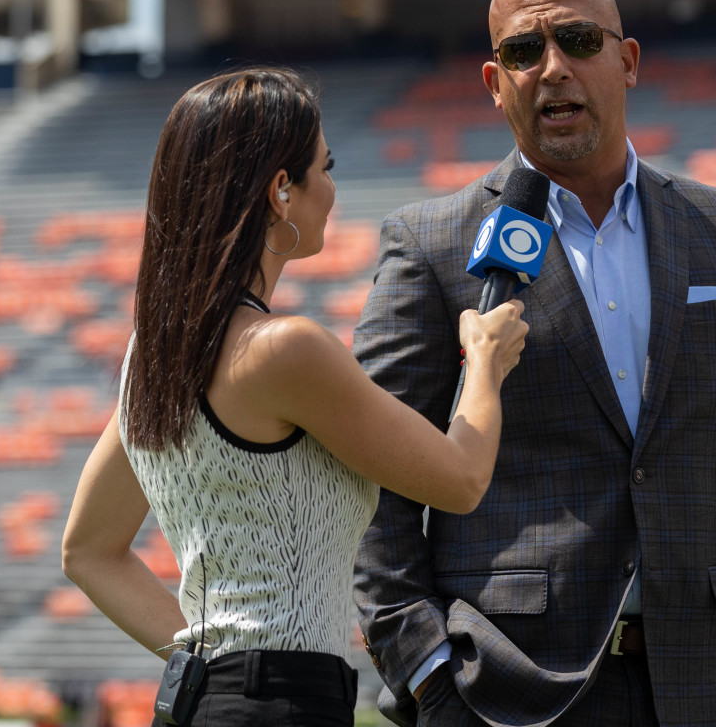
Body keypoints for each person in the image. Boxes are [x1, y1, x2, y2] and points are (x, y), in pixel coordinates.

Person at [352, 0, 716, 727]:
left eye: (578, 40)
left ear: (628, 60)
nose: (552, 69)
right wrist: (428, 676)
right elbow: (370, 484)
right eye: (523, 51)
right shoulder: (430, 245)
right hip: (507, 695)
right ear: (494, 82)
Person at [61, 68, 528, 727]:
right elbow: (460, 478)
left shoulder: (152, 352)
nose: (334, 189)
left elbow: (87, 551)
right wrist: (485, 361)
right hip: (284, 699)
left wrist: (206, 666)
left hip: (207, 704)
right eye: (324, 167)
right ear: (282, 190)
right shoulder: (283, 350)